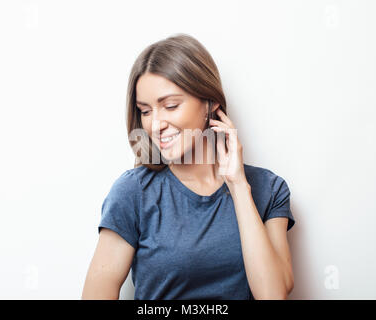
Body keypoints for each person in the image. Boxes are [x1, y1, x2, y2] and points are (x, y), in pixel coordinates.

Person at [81, 33, 295, 300]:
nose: (155, 125)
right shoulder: (133, 192)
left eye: (170, 106)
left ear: (211, 103)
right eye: (145, 111)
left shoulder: (269, 189)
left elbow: (273, 295)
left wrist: (238, 186)